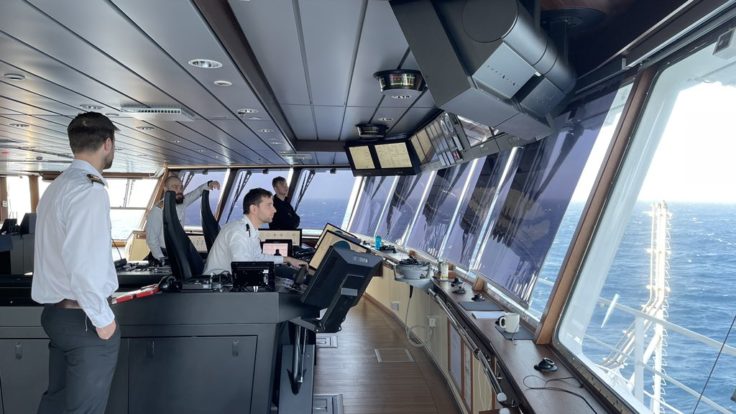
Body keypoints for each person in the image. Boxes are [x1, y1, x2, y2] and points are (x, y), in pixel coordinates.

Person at [31, 112, 120, 414]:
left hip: (57, 315)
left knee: (56, 404)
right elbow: (83, 263)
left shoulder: (57, 187)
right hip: (84, 320)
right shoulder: (89, 190)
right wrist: (103, 320)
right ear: (108, 143)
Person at [204, 188, 307, 274]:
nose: (274, 210)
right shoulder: (238, 232)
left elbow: (258, 257)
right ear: (254, 209)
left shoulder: (250, 230)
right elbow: (243, 269)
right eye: (269, 205)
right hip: (218, 286)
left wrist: (287, 259)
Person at [145, 175, 220, 262]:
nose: (179, 190)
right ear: (165, 189)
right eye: (175, 187)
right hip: (162, 254)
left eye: (181, 187)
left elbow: (195, 193)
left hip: (176, 251)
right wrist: (161, 259)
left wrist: (208, 184)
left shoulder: (180, 202)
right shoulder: (158, 210)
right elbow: (151, 239)